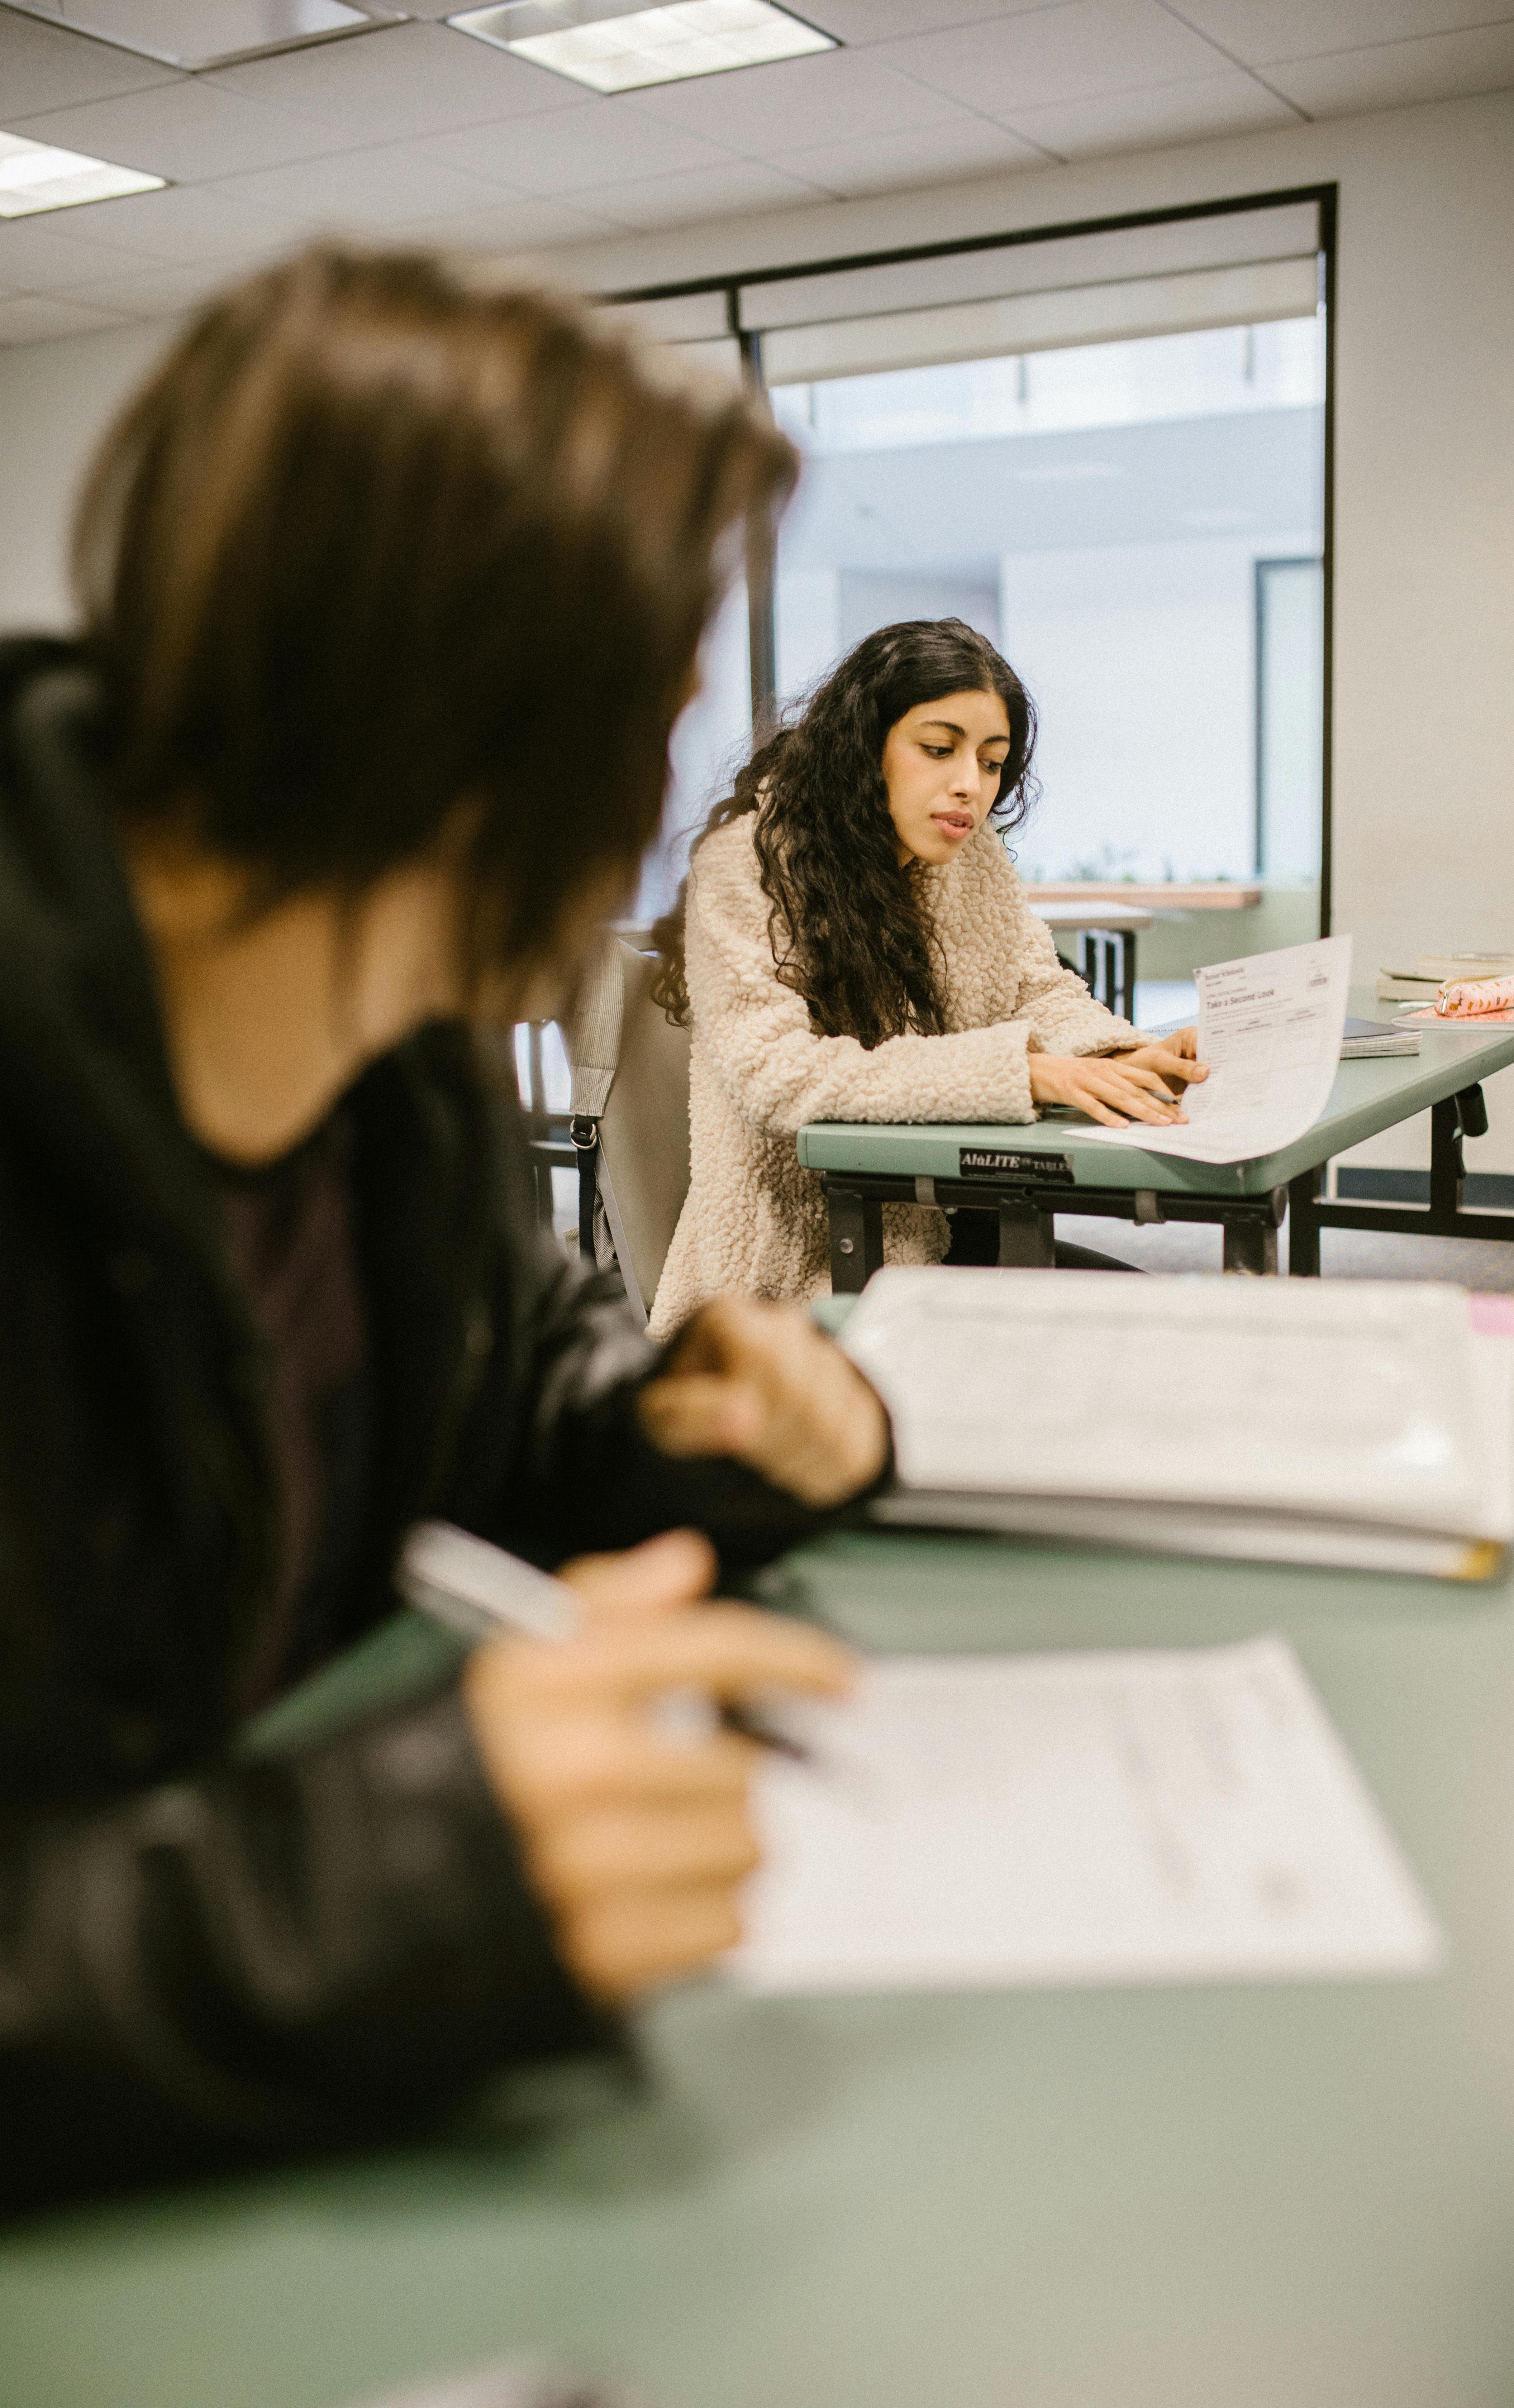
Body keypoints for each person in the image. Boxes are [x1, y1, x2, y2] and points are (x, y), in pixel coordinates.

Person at [0, 246, 890, 2212]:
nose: (660, 801)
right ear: (458, 723)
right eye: (642, 722)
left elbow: (486, 1394)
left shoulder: (383, 1021)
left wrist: (673, 1424)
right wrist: (374, 1890)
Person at [648, 618, 1207, 1333]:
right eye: (938, 749)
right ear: (863, 743)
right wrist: (1025, 1073)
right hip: (785, 1279)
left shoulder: (967, 859)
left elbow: (1036, 986)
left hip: (931, 1227)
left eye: (992, 762)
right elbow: (777, 1076)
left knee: (1172, 1325)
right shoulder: (745, 866)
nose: (968, 785)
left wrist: (1120, 1055)